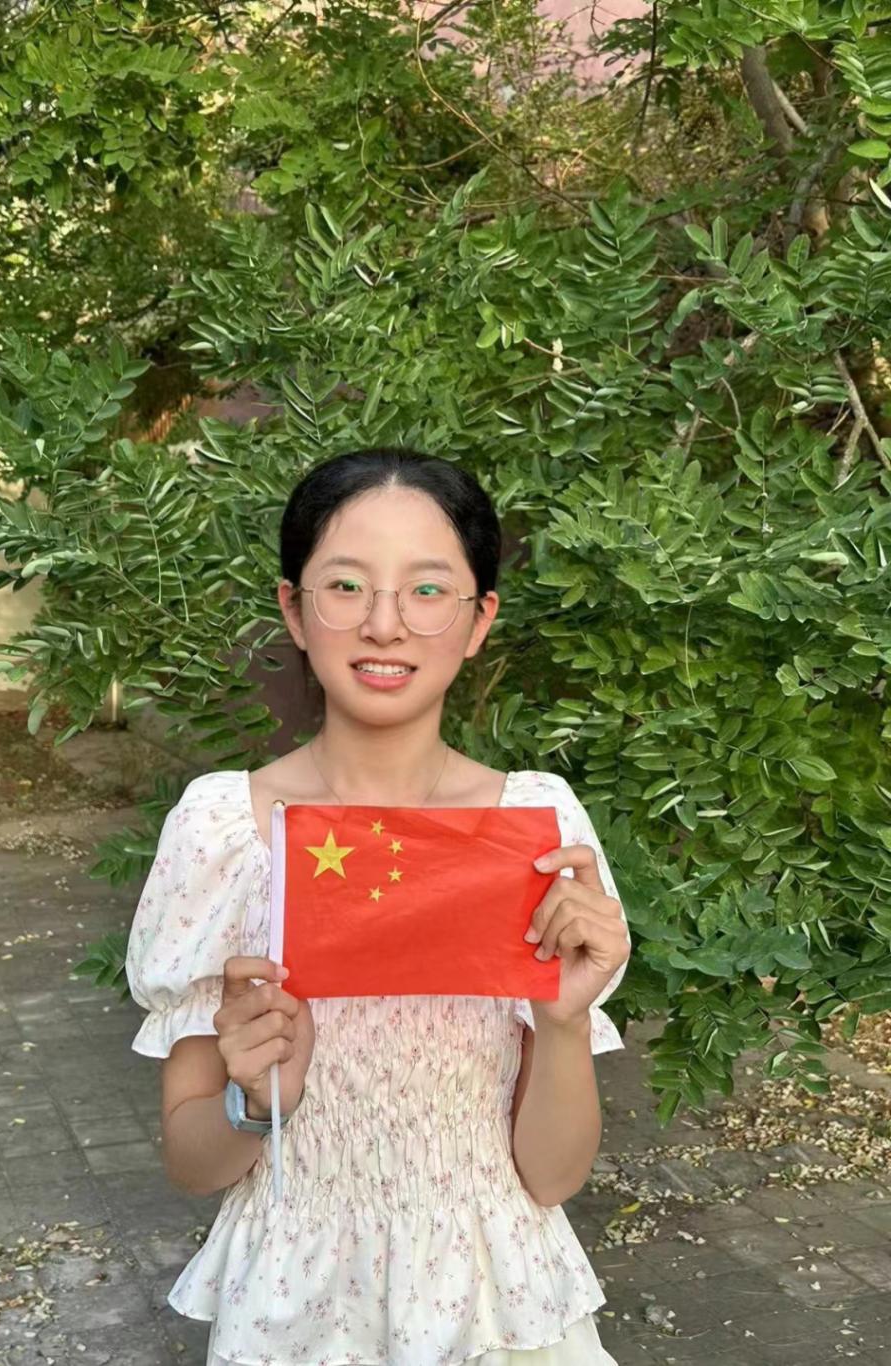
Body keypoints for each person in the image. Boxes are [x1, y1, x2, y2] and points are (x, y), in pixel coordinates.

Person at [125, 447, 632, 1366]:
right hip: (295, 1303)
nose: (386, 625)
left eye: (428, 590)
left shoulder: (536, 829)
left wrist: (562, 1024)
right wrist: (256, 1102)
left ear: (479, 620)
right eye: (347, 586)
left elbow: (552, 1176)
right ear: (294, 609)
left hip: (499, 1304)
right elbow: (191, 1164)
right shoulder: (221, 831)